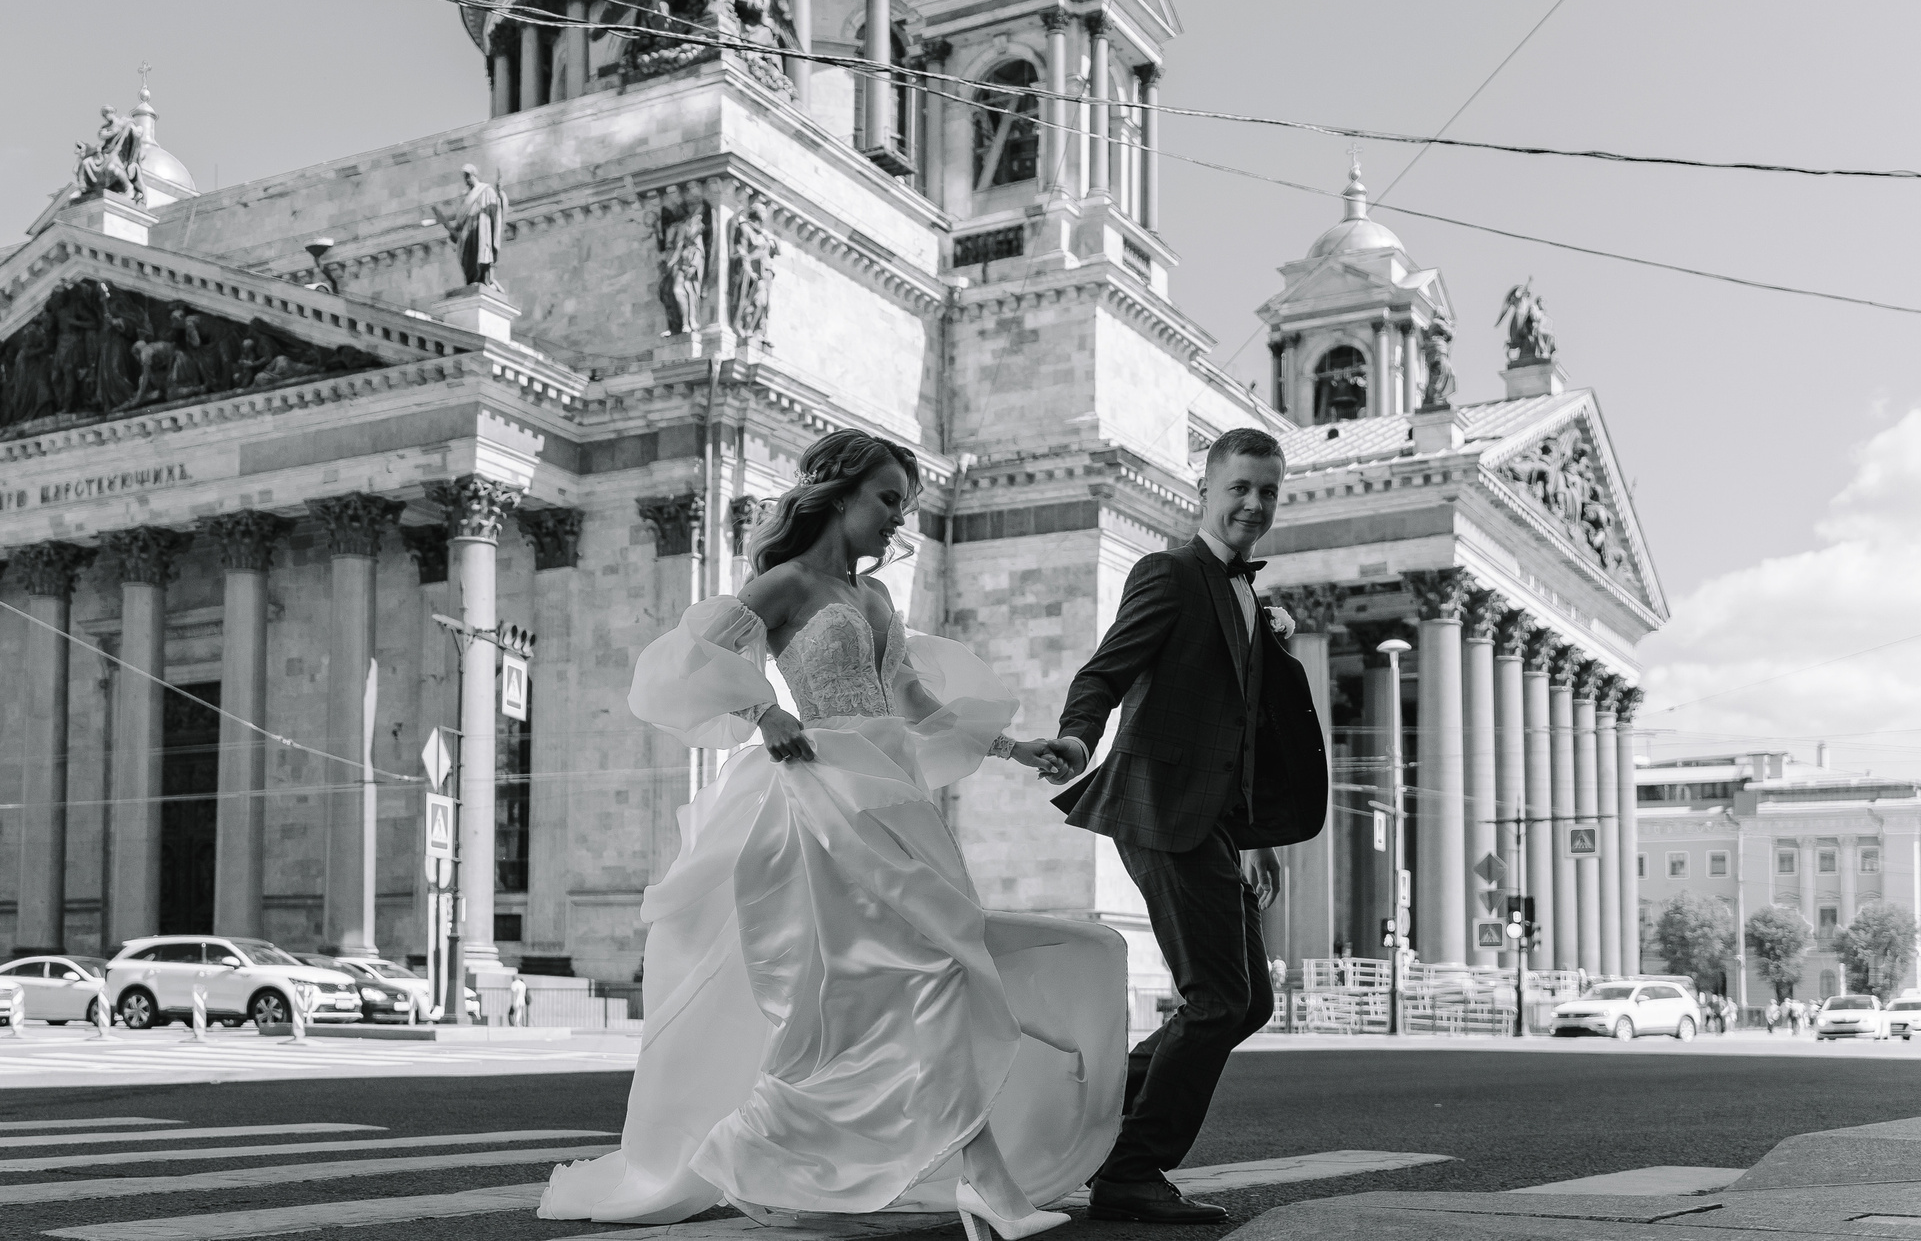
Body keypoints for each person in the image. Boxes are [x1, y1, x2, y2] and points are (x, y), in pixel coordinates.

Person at [540, 429, 1128, 1237]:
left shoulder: (877, 600)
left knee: (933, 981)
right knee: (917, 979)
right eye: (889, 499)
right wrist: (765, 707)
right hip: (821, 801)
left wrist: (1017, 749)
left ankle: (926, 1171)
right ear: (841, 492)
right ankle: (975, 1182)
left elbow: (915, 703)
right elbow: (677, 665)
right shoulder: (785, 585)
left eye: (906, 505)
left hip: (891, 800)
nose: (898, 520)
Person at [1045, 428, 1331, 1226]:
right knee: (1216, 997)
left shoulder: (1247, 594)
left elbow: (1243, 730)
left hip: (1218, 823)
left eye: (1268, 491)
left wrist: (1258, 836)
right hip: (1159, 807)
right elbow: (1105, 669)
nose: (1254, 503)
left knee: (1248, 1003)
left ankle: (1096, 1116)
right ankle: (1131, 1168)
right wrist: (1077, 734)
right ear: (1203, 490)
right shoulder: (1170, 573)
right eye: (1239, 487)